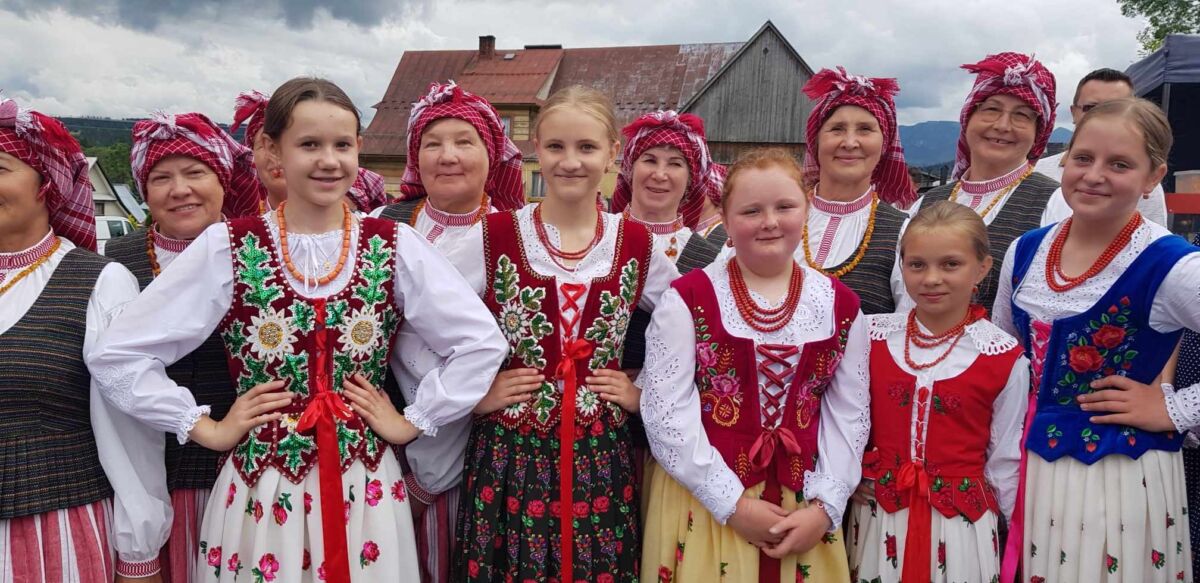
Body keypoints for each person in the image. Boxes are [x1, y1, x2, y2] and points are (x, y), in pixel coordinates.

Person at [89, 77, 507, 583]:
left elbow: (480, 343)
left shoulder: (394, 243)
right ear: (272, 151)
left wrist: (414, 419)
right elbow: (118, 354)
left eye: (342, 145)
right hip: (263, 489)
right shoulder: (229, 246)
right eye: (309, 144)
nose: (329, 161)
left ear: (358, 149)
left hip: (364, 488)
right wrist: (205, 427)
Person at [454, 86, 679, 582]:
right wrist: (473, 394)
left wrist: (643, 393)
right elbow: (425, 319)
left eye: (587, 147)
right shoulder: (494, 235)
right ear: (536, 147)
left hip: (600, 454)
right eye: (556, 146)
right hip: (510, 454)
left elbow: (691, 326)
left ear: (613, 153)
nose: (571, 161)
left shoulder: (636, 243)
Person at [993, 98, 1200, 583]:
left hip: (1119, 476)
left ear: (1153, 177)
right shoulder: (1026, 250)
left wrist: (1175, 408)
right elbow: (1001, 354)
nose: (1094, 175)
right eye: (1083, 158)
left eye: (1120, 164)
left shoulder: (1172, 265)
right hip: (1024, 467)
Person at [640, 147, 870, 583]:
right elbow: (666, 412)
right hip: (706, 498)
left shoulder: (840, 306)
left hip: (803, 507)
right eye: (750, 211)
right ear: (725, 221)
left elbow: (850, 415)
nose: (769, 222)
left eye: (785, 207)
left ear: (807, 208)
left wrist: (825, 508)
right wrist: (731, 504)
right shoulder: (688, 298)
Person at [0, 94, 170, 581]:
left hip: (49, 534)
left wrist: (139, 554)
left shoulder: (100, 282)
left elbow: (129, 428)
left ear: (45, 185)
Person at [369, 80, 524, 583]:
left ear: (491, 154)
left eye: (464, 142)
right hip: (383, 436)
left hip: (481, 450)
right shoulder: (380, 226)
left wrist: (477, 397)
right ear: (415, 157)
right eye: (432, 143)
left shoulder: (515, 236)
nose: (448, 156)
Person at [105, 111, 262, 583]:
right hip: (144, 490)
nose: (180, 190)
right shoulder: (115, 265)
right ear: (143, 190)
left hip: (250, 478)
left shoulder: (260, 253)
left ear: (223, 181)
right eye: (161, 178)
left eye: (195, 173)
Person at [847, 201, 1027, 583]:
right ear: (902, 267)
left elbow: (1005, 457)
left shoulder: (1003, 356)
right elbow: (845, 418)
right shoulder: (870, 336)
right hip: (882, 515)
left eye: (950, 264)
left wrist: (1019, 545)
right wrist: (850, 473)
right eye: (917, 265)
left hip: (961, 526)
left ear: (982, 268)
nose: (931, 278)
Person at [905, 53, 1060, 312]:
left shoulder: (1054, 204)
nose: (1003, 125)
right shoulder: (925, 204)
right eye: (991, 109)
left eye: (1022, 115)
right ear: (968, 118)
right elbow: (904, 301)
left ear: (1038, 133)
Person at [608, 110, 723, 370]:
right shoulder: (600, 236)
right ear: (630, 169)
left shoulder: (711, 258)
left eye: (675, 164)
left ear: (691, 179)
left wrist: (640, 386)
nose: (660, 174)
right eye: (650, 160)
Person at [796, 66, 915, 315]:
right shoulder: (781, 215)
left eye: (865, 129)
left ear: (884, 143)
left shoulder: (903, 233)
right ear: (816, 141)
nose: (850, 143)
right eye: (837, 129)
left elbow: (910, 325)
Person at [1037, 68, 1169, 227]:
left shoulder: (1144, 186)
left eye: (1116, 108)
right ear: (1074, 112)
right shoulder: (1037, 172)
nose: (1104, 116)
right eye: (1092, 108)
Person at [232, 89, 390, 214]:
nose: (328, 161)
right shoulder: (234, 234)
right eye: (265, 146)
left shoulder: (383, 235)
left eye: (341, 145)